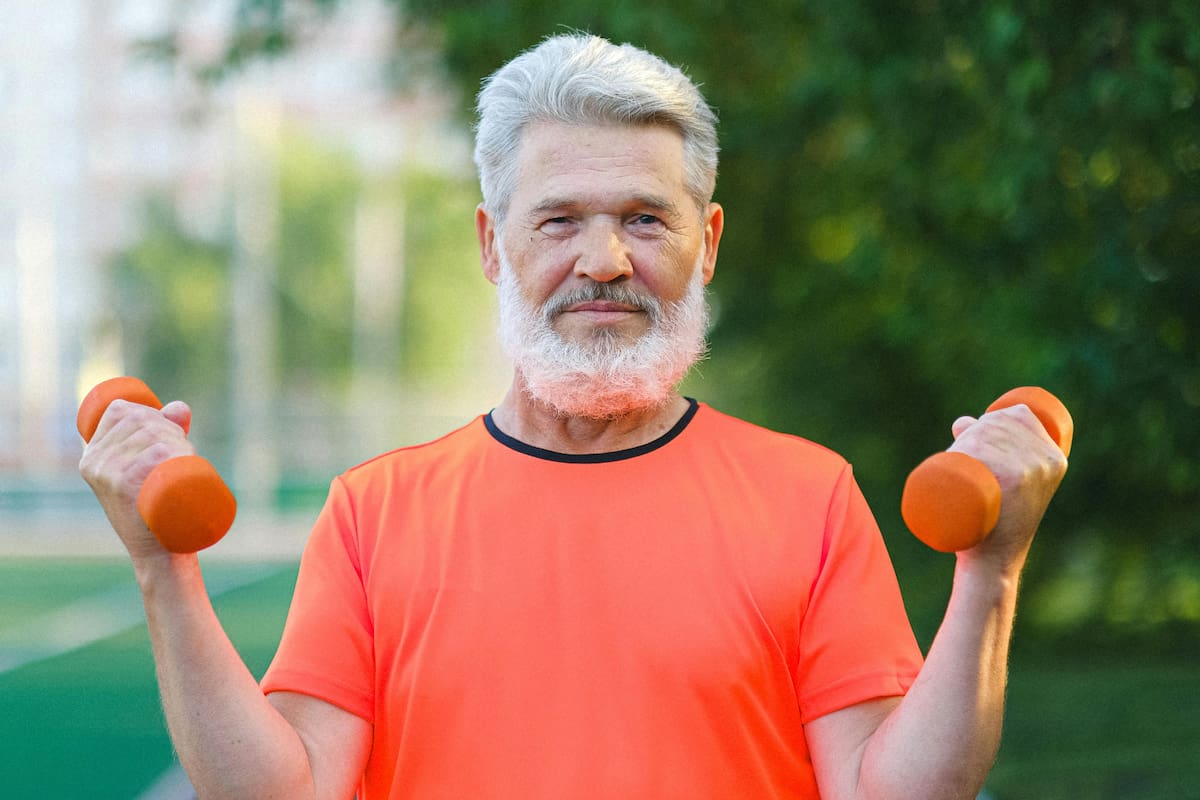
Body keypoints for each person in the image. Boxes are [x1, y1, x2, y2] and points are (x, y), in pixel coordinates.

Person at [79, 33, 1068, 800]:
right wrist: (163, 572)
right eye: (559, 219)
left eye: (645, 217)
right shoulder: (373, 511)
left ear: (706, 242)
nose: (603, 259)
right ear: (492, 242)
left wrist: (993, 570)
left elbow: (893, 788)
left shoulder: (810, 496)